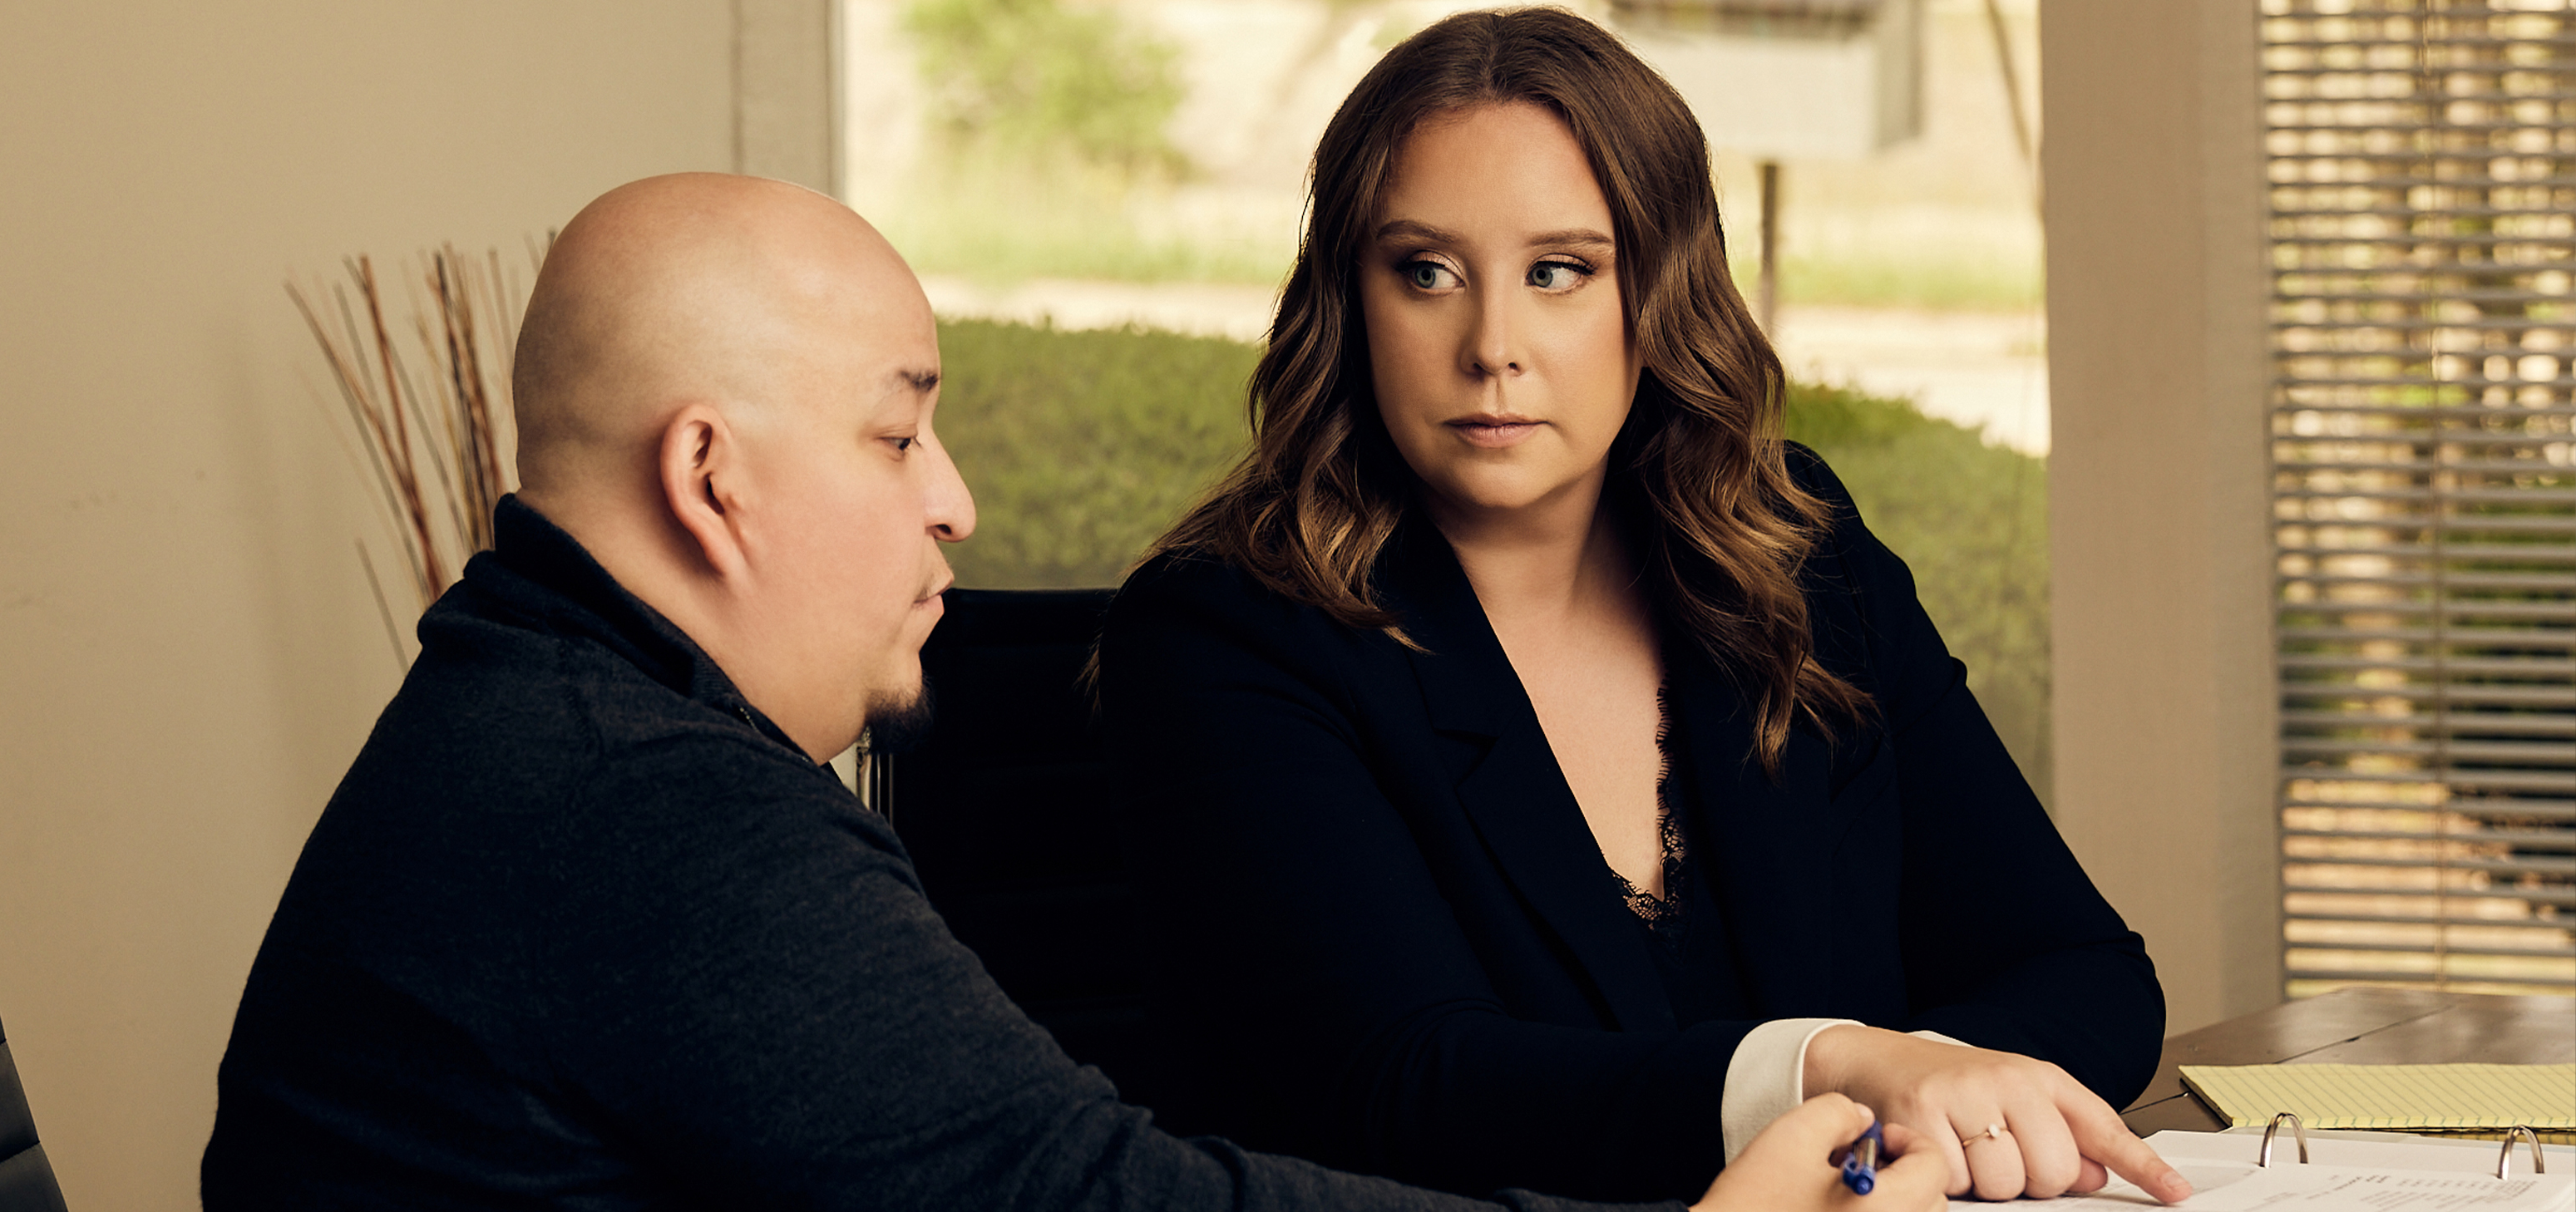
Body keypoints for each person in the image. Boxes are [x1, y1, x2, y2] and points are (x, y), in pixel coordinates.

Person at [199, 171, 1954, 1212]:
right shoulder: (650, 811)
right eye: (898, 431)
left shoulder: (540, 714)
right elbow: (1083, 1200)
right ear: (710, 476)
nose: (954, 498)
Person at [1091, 10, 2191, 1210]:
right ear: (1352, 302)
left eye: (1559, 271)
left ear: (1660, 291)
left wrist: (1918, 1108)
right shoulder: (1222, 632)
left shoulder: (1796, 551)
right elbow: (1399, 1088)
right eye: (1426, 272)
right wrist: (1830, 1073)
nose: (1492, 346)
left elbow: (2082, 970)